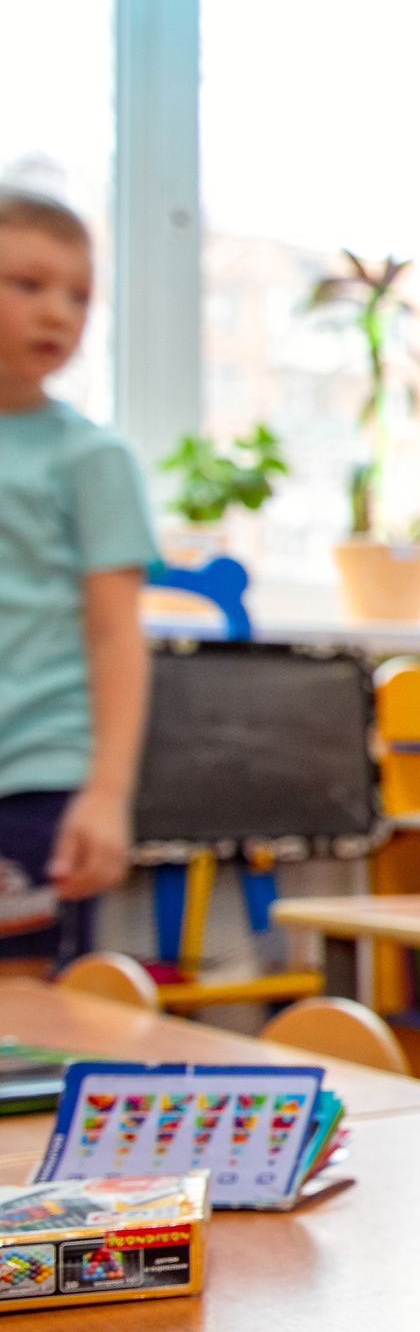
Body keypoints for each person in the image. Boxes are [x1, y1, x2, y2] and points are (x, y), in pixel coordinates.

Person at [0, 189, 152, 978]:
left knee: (18, 1022)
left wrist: (106, 793)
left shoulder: (90, 459)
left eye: (79, 295)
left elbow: (115, 631)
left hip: (36, 781)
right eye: (27, 284)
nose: (57, 311)